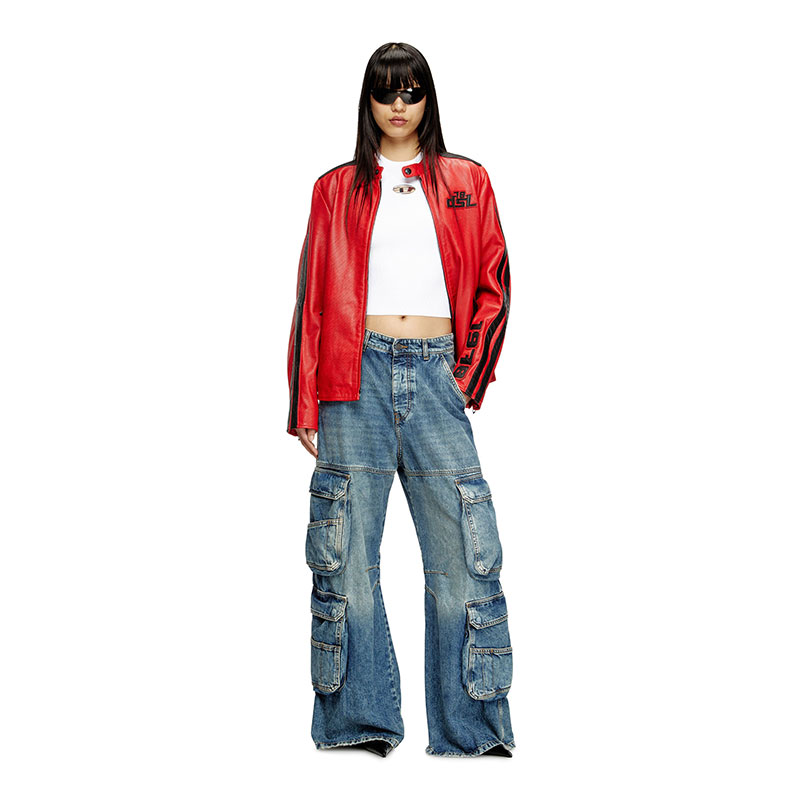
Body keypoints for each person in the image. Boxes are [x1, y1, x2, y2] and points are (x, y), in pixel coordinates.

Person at [286, 42, 514, 758]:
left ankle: (470, 730)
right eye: (386, 92)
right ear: (369, 101)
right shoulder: (334, 190)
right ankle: (360, 721)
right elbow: (312, 298)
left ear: (427, 100)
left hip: (438, 372)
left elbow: (494, 281)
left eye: (411, 91)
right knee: (346, 554)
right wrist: (304, 402)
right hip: (351, 378)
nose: (398, 105)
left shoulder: (466, 181)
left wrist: (468, 375)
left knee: (463, 553)